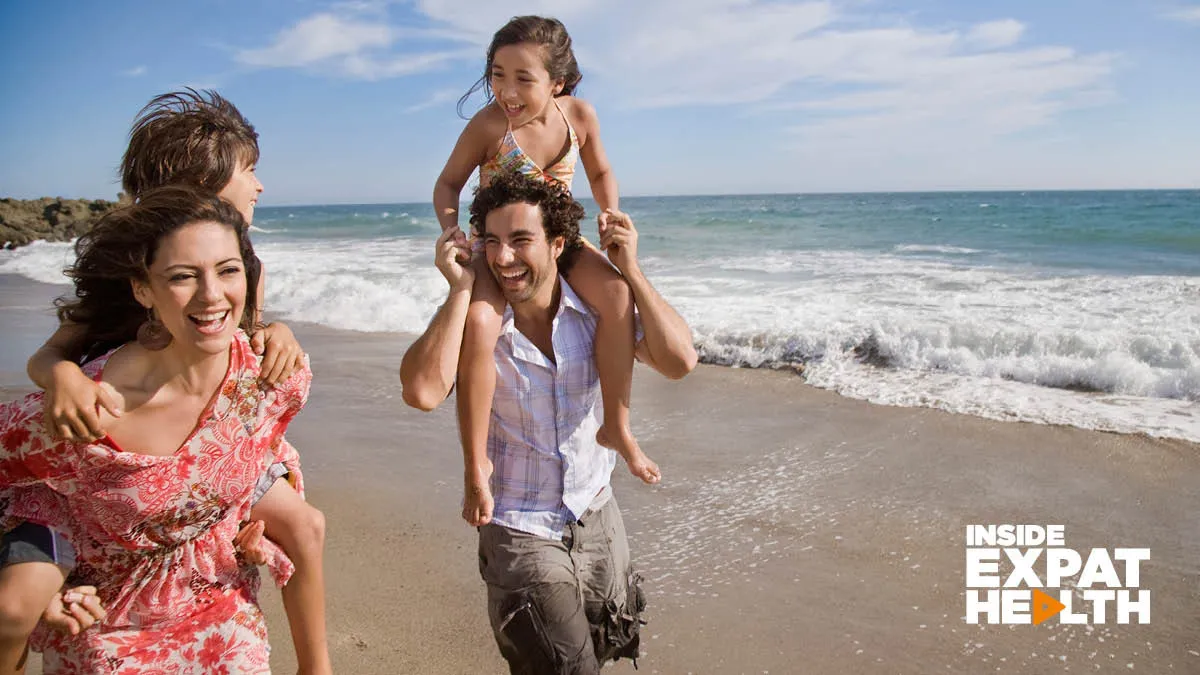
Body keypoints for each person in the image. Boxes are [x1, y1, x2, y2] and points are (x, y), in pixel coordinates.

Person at [2, 90, 330, 674]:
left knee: (303, 524)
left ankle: (316, 666)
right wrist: (64, 377)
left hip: (222, 442)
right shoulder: (130, 272)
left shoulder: (242, 267)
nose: (259, 186)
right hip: (107, 458)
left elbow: (243, 339)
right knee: (19, 602)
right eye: (248, 171)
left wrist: (277, 330)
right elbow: (49, 354)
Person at [403, 172, 696, 672]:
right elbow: (422, 391)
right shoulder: (480, 322)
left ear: (557, 243)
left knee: (603, 650)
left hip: (596, 511)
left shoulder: (598, 313)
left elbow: (679, 361)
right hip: (518, 527)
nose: (503, 258)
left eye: (520, 241)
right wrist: (458, 292)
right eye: (492, 242)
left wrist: (632, 271)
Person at [432, 15, 657, 530]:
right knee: (483, 324)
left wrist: (609, 209)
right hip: (501, 247)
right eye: (497, 74)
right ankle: (477, 460)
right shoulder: (491, 125)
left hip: (558, 240)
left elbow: (600, 170)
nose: (507, 91)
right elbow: (447, 185)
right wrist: (453, 233)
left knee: (618, 296)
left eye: (523, 78)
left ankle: (617, 427)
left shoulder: (578, 116)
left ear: (557, 82)